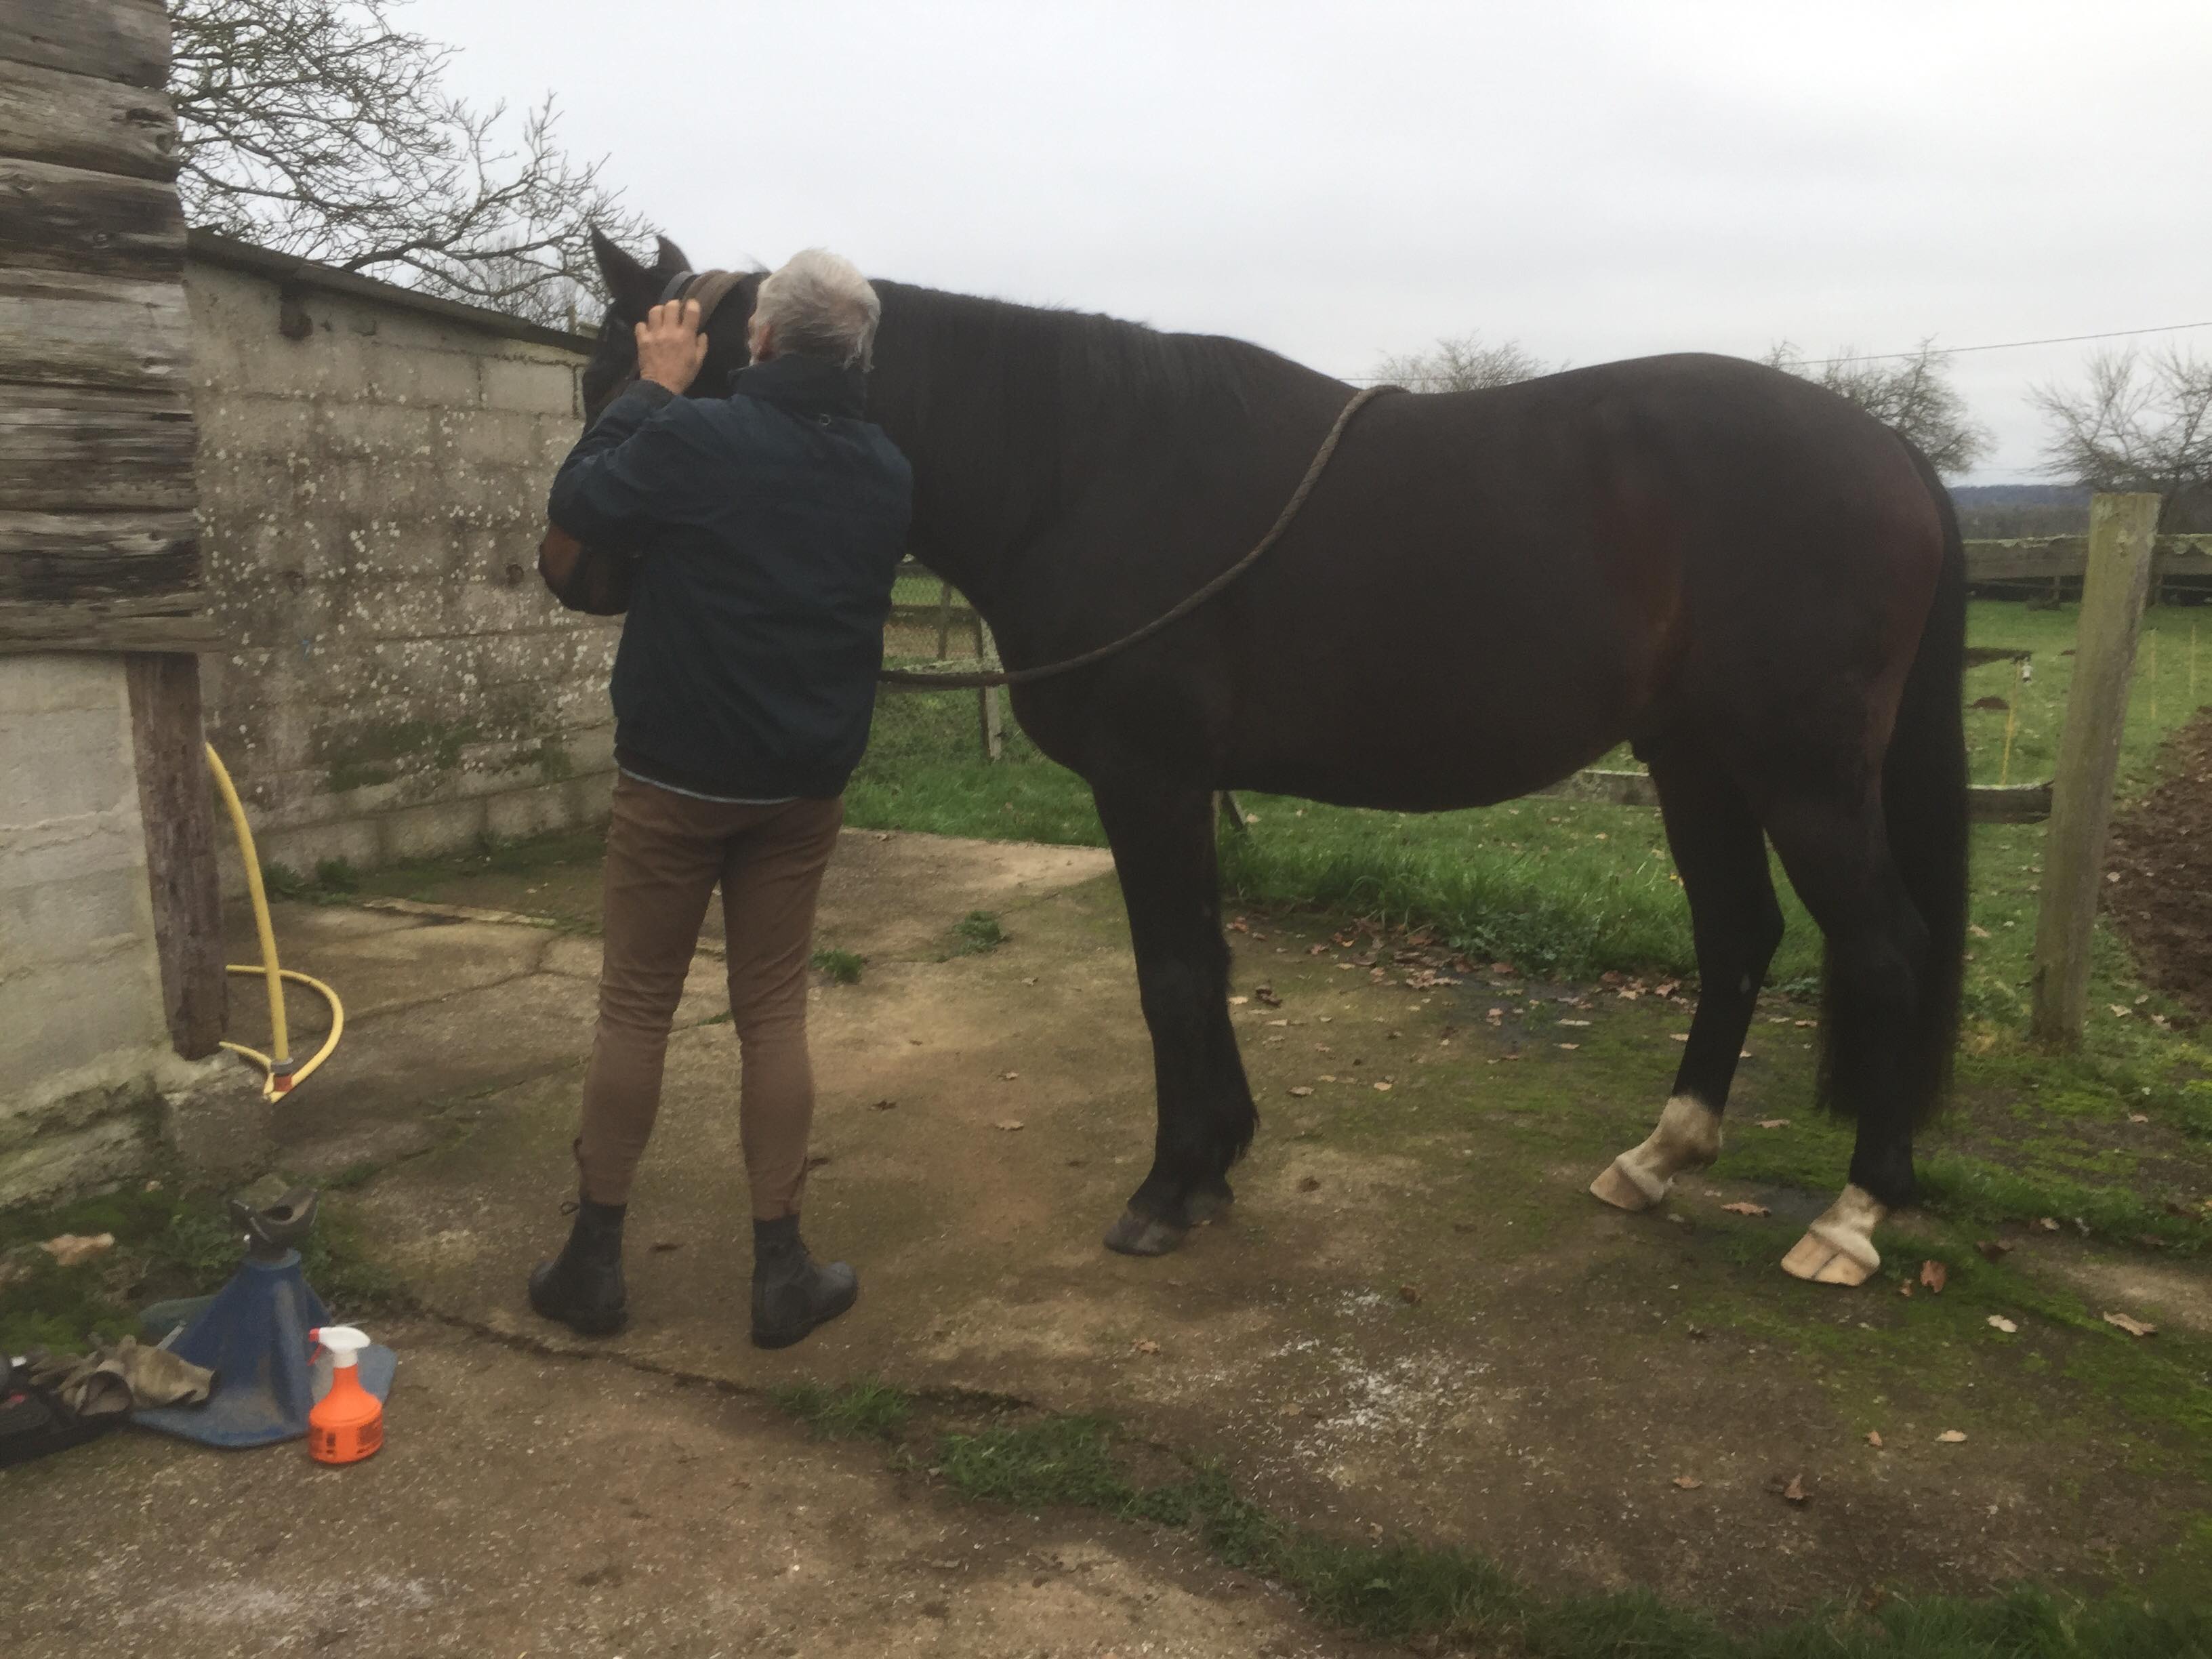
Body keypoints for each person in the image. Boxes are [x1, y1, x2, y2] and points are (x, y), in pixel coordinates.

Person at [528, 249, 912, 1349]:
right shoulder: (888, 469)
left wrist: (652, 387)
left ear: (761, 339)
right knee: (775, 1012)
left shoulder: (694, 436)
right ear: (859, 356)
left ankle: (594, 1266)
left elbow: (577, 502)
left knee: (635, 1009)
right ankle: (781, 1272)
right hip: (800, 787)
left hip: (674, 780)